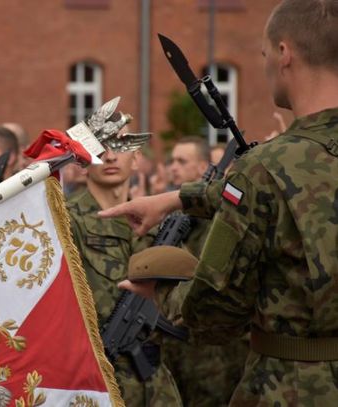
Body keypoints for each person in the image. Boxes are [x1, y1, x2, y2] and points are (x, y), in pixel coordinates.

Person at [101, 0, 338, 404]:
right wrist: (177, 198)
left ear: (284, 53)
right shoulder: (269, 170)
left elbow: (213, 314)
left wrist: (159, 294)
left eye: (263, 54)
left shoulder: (265, 167)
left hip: (293, 386)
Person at [67, 148, 182, 407]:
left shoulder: (156, 219)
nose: (110, 157)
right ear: (82, 161)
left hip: (155, 381)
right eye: (100, 150)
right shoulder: (66, 219)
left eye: (120, 148)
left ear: (137, 158)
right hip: (97, 382)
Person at [160, 137, 249, 407]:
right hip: (176, 349)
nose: (173, 167)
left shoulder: (219, 221)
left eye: (182, 161)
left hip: (215, 354)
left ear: (202, 168)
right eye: (171, 161)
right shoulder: (170, 218)